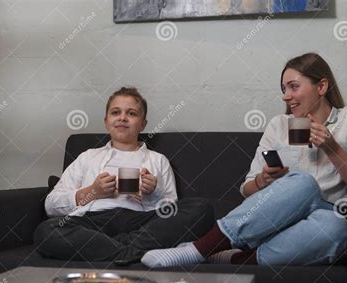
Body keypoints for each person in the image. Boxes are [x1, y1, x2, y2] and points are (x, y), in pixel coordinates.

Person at [141, 52, 347, 268]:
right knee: (302, 183)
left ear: (321, 87)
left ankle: (234, 258)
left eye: (293, 87)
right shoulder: (278, 125)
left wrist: (332, 148)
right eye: (283, 89)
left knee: (337, 228)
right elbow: (247, 190)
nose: (286, 96)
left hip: (321, 217)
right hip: (275, 218)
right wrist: (263, 179)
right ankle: (198, 249)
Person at [34, 87, 214, 264]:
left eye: (132, 113)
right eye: (115, 112)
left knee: (202, 208)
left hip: (141, 223)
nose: (122, 118)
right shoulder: (87, 156)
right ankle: (132, 252)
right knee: (46, 231)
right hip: (93, 223)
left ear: (143, 124)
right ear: (106, 121)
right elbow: (51, 205)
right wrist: (92, 191)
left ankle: (117, 250)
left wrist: (153, 193)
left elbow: (170, 210)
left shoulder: (158, 160)